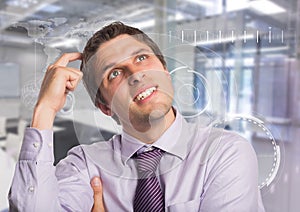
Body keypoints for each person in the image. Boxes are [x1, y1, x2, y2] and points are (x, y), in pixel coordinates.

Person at [9, 21, 265, 211]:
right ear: (105, 107)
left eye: (141, 58)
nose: (135, 74)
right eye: (114, 73)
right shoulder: (85, 164)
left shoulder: (224, 152)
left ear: (165, 70)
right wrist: (44, 111)